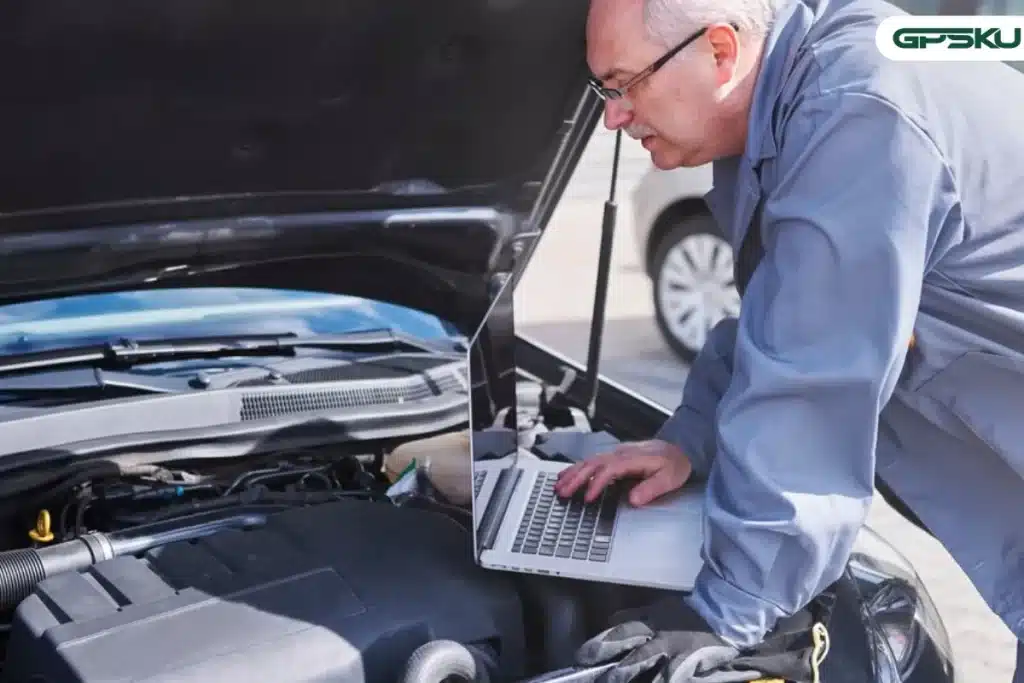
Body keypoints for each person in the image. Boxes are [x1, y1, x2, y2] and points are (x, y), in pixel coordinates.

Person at [555, 0, 1024, 680]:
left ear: (719, 51)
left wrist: (726, 610)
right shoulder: (807, 87)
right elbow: (788, 308)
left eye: (626, 83)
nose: (613, 115)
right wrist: (689, 439)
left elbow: (814, 384)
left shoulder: (858, 111)